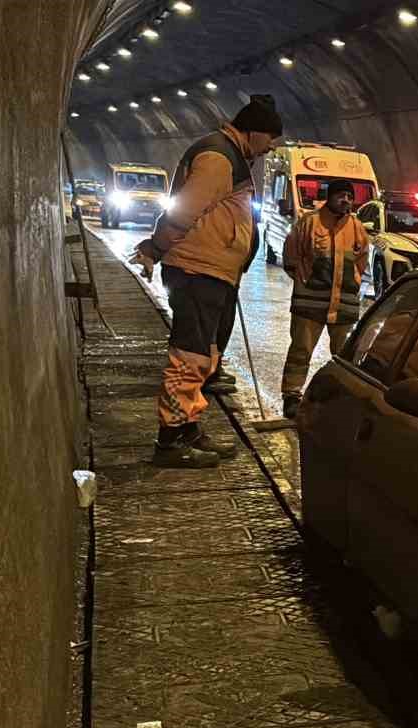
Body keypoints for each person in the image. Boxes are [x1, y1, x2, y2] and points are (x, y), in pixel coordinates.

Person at [131, 95, 282, 467]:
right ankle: (169, 441)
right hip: (197, 270)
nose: (270, 148)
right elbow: (184, 212)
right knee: (188, 356)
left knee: (204, 355)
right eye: (270, 140)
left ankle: (188, 427)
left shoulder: (231, 154)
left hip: (212, 273)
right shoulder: (218, 157)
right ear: (255, 130)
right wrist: (155, 246)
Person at [280, 180, 368, 418]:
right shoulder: (309, 223)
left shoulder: (357, 228)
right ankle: (292, 396)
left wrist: (354, 282)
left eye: (350, 196)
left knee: (344, 357)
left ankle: (341, 399)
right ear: (329, 198)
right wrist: (306, 281)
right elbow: (291, 257)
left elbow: (362, 262)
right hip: (310, 303)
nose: (346, 200)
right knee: (301, 350)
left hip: (344, 306)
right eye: (341, 195)